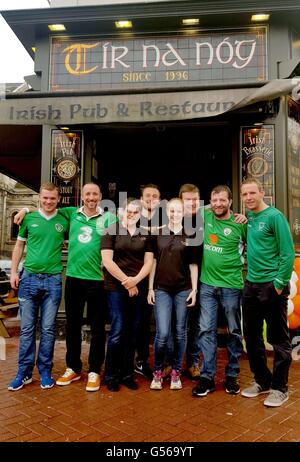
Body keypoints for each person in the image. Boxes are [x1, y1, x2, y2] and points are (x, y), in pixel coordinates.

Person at [55, 183, 117, 392]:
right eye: (87, 194)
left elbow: (123, 238)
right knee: (72, 326)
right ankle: (73, 367)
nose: (91, 197)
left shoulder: (109, 218)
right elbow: (47, 208)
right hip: (73, 278)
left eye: (95, 194)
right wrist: (26, 210)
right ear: (82, 196)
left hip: (98, 281)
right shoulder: (71, 214)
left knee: (97, 328)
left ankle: (94, 371)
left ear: (100, 197)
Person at [8, 182, 69, 391]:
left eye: (52, 198)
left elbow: (85, 211)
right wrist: (14, 272)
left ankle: (45, 371)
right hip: (29, 279)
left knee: (48, 329)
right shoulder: (29, 219)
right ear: (39, 198)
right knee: (26, 330)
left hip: (52, 281)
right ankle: (23, 373)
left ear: (59, 198)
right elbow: (19, 246)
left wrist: (26, 207)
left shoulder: (65, 218)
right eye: (45, 198)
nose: (48, 201)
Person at [240, 178, 295, 407]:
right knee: (252, 337)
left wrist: (279, 284)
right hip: (251, 285)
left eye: (253, 193)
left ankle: (280, 388)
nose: (249, 197)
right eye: (245, 194)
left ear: (262, 192)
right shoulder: (248, 219)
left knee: (278, 339)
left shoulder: (275, 217)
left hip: (272, 285)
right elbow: (245, 243)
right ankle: (262, 381)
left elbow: (288, 252)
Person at [192, 185, 246, 398]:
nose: (218, 204)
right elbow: (188, 208)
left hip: (232, 285)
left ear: (230, 201)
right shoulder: (205, 214)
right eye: (214, 201)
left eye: (222, 200)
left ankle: (232, 375)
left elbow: (254, 247)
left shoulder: (241, 224)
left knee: (233, 331)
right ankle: (207, 377)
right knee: (206, 330)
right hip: (207, 285)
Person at [101, 198, 154, 391]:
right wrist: (127, 282)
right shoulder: (111, 231)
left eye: (135, 212)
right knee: (118, 330)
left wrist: (135, 281)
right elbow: (108, 262)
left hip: (137, 287)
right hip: (116, 287)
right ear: (122, 212)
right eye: (128, 211)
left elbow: (149, 262)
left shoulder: (145, 235)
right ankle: (110, 375)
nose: (131, 215)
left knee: (133, 331)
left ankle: (127, 374)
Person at [148, 198, 199, 391]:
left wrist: (194, 290)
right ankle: (158, 371)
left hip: (183, 289)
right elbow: (152, 262)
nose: (174, 214)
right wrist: (151, 288)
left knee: (180, 332)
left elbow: (193, 265)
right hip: (161, 289)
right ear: (166, 211)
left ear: (184, 213)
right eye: (171, 211)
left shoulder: (191, 234)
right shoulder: (157, 233)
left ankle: (176, 371)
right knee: (162, 333)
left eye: (178, 211)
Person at [134, 184, 168, 380]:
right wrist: (27, 209)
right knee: (137, 321)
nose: (151, 199)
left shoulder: (167, 219)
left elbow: (195, 212)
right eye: (147, 195)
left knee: (154, 323)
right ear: (141, 198)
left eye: (155, 196)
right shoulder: (130, 216)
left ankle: (152, 361)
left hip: (160, 277)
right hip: (135, 277)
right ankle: (136, 360)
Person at [178, 184, 204, 379]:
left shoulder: (206, 218)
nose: (192, 203)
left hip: (202, 278)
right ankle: (173, 361)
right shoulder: (172, 218)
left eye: (195, 199)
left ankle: (193, 362)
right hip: (177, 280)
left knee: (195, 324)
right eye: (188, 199)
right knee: (175, 324)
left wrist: (242, 217)